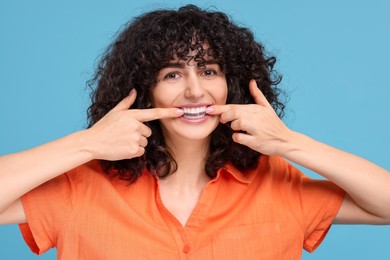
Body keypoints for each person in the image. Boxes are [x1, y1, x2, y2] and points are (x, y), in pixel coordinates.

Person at [0, 4, 389, 259]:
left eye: (208, 71)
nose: (194, 90)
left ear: (231, 84)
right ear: (144, 89)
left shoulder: (278, 183)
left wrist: (289, 143)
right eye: (172, 73)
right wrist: (86, 144)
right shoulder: (81, 187)